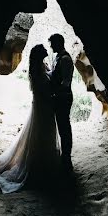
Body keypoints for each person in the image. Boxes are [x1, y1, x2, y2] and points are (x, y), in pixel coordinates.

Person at [0, 45, 60, 193]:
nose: (47, 49)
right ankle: (39, 166)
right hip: (42, 108)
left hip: (45, 107)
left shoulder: (41, 66)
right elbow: (41, 88)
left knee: (45, 134)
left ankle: (44, 164)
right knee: (41, 134)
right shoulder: (35, 70)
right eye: (44, 49)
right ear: (39, 54)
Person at [47, 33, 74, 171]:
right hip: (60, 96)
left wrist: (54, 90)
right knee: (62, 126)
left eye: (52, 43)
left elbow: (66, 82)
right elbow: (56, 74)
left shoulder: (65, 59)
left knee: (64, 127)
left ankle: (67, 157)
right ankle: (65, 156)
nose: (51, 46)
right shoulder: (59, 57)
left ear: (58, 43)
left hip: (63, 97)